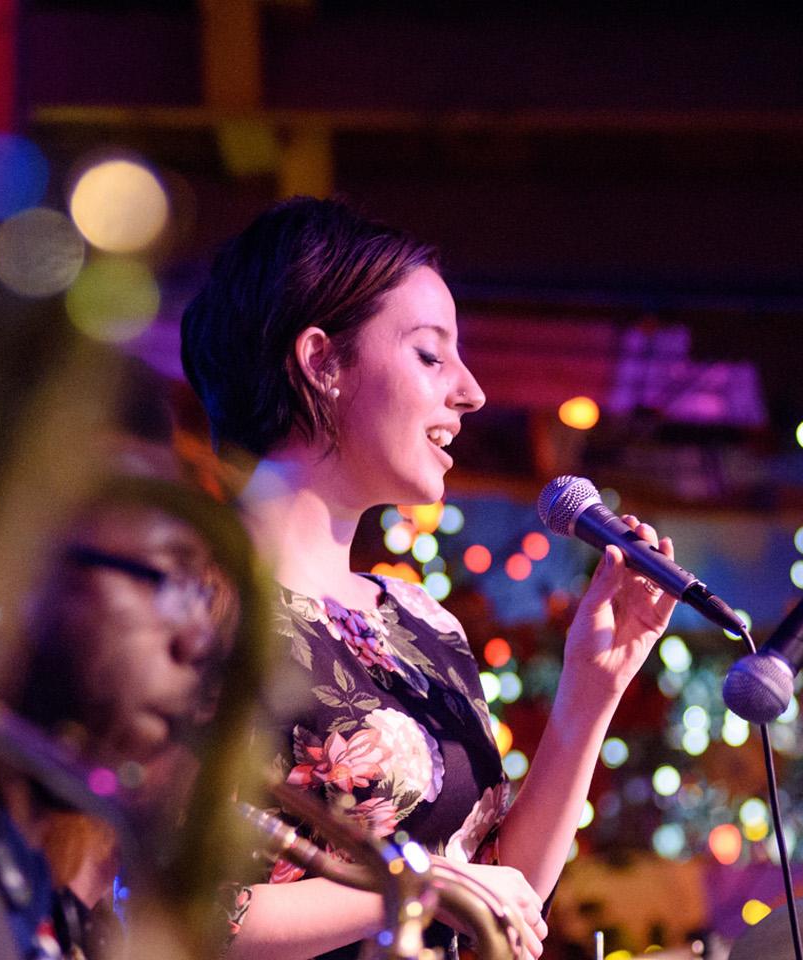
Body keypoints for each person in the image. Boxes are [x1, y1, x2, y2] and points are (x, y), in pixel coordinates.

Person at [181, 197, 679, 960]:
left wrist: (592, 685)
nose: (471, 391)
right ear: (321, 362)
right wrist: (413, 883)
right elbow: (167, 906)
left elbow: (497, 894)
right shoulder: (197, 603)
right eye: (429, 353)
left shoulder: (422, 623)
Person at [0, 374, 262, 960]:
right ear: (14, 574)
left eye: (200, 593)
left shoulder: (26, 876)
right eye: (166, 576)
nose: (197, 640)